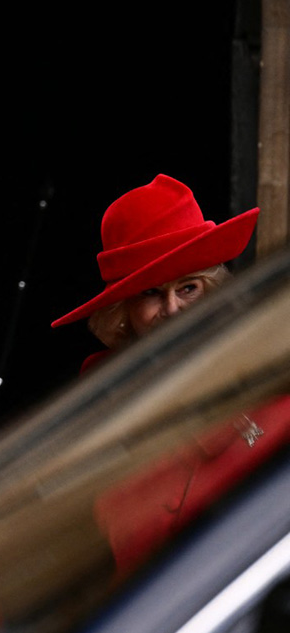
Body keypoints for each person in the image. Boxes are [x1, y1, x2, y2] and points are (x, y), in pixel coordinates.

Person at [50, 173, 290, 577]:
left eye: (189, 288)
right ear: (121, 314)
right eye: (151, 293)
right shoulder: (100, 411)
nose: (174, 309)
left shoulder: (264, 377)